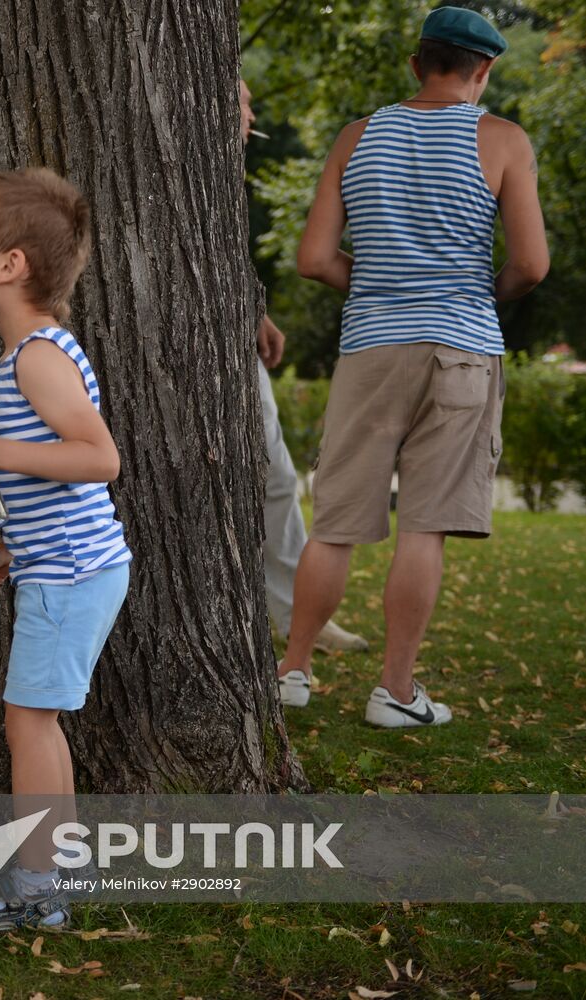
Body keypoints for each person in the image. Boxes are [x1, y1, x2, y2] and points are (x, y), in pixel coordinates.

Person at [278, 7, 548, 726]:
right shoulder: (501, 140)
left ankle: (292, 671)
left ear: (415, 64)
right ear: (482, 69)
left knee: (332, 523)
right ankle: (395, 694)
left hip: (370, 345)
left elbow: (311, 260)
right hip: (459, 346)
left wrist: (376, 286)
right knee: (422, 526)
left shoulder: (356, 137)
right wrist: (478, 297)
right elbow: (529, 264)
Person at [0, 168, 130, 932]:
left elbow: (97, 460)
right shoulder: (30, 354)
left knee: (29, 725)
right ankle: (52, 874)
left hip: (73, 574)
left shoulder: (36, 358)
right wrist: (8, 551)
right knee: (36, 724)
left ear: (9, 265)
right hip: (63, 564)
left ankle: (39, 889)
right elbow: (60, 488)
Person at [239, 80, 368, 656]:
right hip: (193, 350)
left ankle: (295, 615)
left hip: (230, 341)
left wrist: (255, 310)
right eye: (242, 101)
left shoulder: (216, 178)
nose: (252, 113)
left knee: (277, 477)